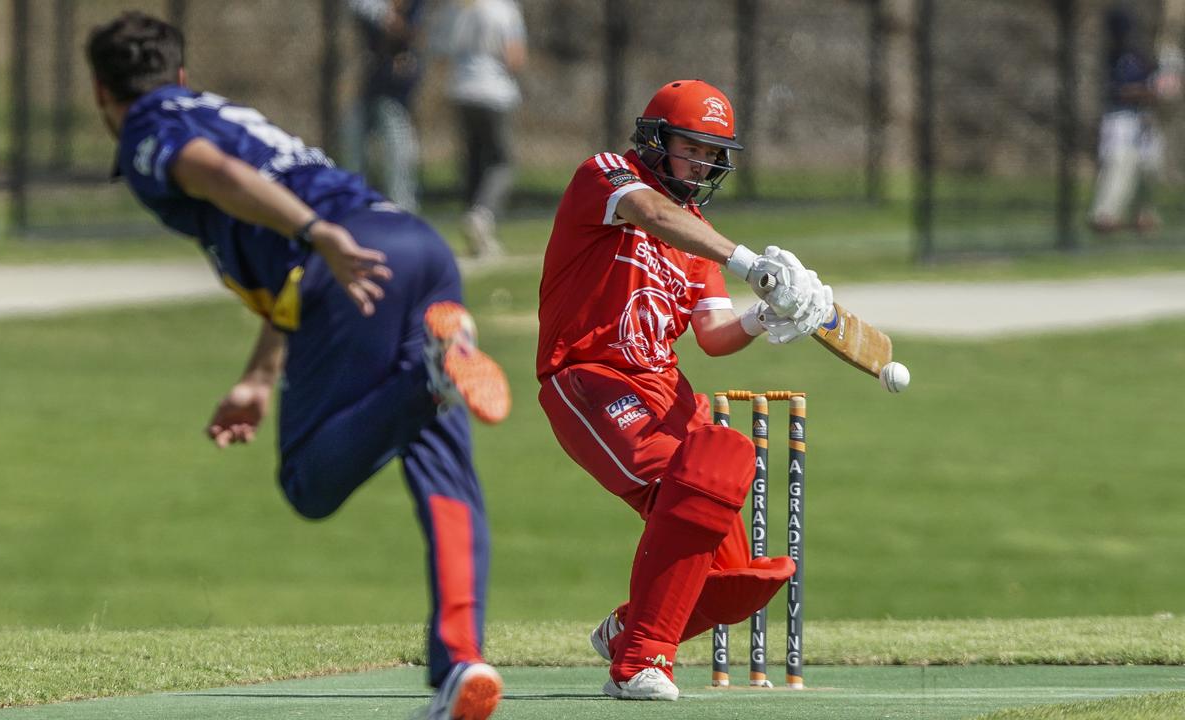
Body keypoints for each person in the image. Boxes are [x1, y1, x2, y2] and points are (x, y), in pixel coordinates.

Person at [86, 12, 508, 720]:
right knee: (440, 465)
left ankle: (428, 374)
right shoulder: (216, 108)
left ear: (102, 90)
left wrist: (317, 234)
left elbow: (214, 173)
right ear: (182, 74)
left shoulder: (146, 129)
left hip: (347, 265)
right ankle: (461, 664)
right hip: (416, 247)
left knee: (308, 483)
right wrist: (259, 373)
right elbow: (276, 257)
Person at [536, 80, 834, 701]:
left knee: (739, 571)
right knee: (694, 472)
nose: (703, 163)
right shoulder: (606, 176)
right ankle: (640, 661)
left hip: (665, 391)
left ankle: (627, 630)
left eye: (713, 152)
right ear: (655, 139)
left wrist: (760, 317)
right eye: (691, 147)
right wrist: (753, 264)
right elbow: (652, 214)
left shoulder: (696, 232)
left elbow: (713, 334)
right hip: (588, 378)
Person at [430, 0, 527, 258]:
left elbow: (441, 50)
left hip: (461, 88)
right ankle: (482, 214)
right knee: (501, 161)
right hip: (493, 91)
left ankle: (473, 222)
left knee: (473, 158)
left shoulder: (459, 8)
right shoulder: (504, 10)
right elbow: (514, 56)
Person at [342, 0, 425, 212]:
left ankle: (403, 211)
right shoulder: (370, 7)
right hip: (373, 82)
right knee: (354, 147)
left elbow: (404, 29)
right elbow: (379, 18)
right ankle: (353, 206)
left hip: (394, 87)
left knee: (397, 150)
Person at [1090, 7, 1165, 234]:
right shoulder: (1112, 57)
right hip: (1120, 118)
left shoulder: (1139, 56)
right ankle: (1105, 216)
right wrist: (1149, 91)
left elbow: (1155, 82)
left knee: (1149, 166)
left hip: (1142, 119)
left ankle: (1144, 215)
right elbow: (1119, 91)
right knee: (1119, 164)